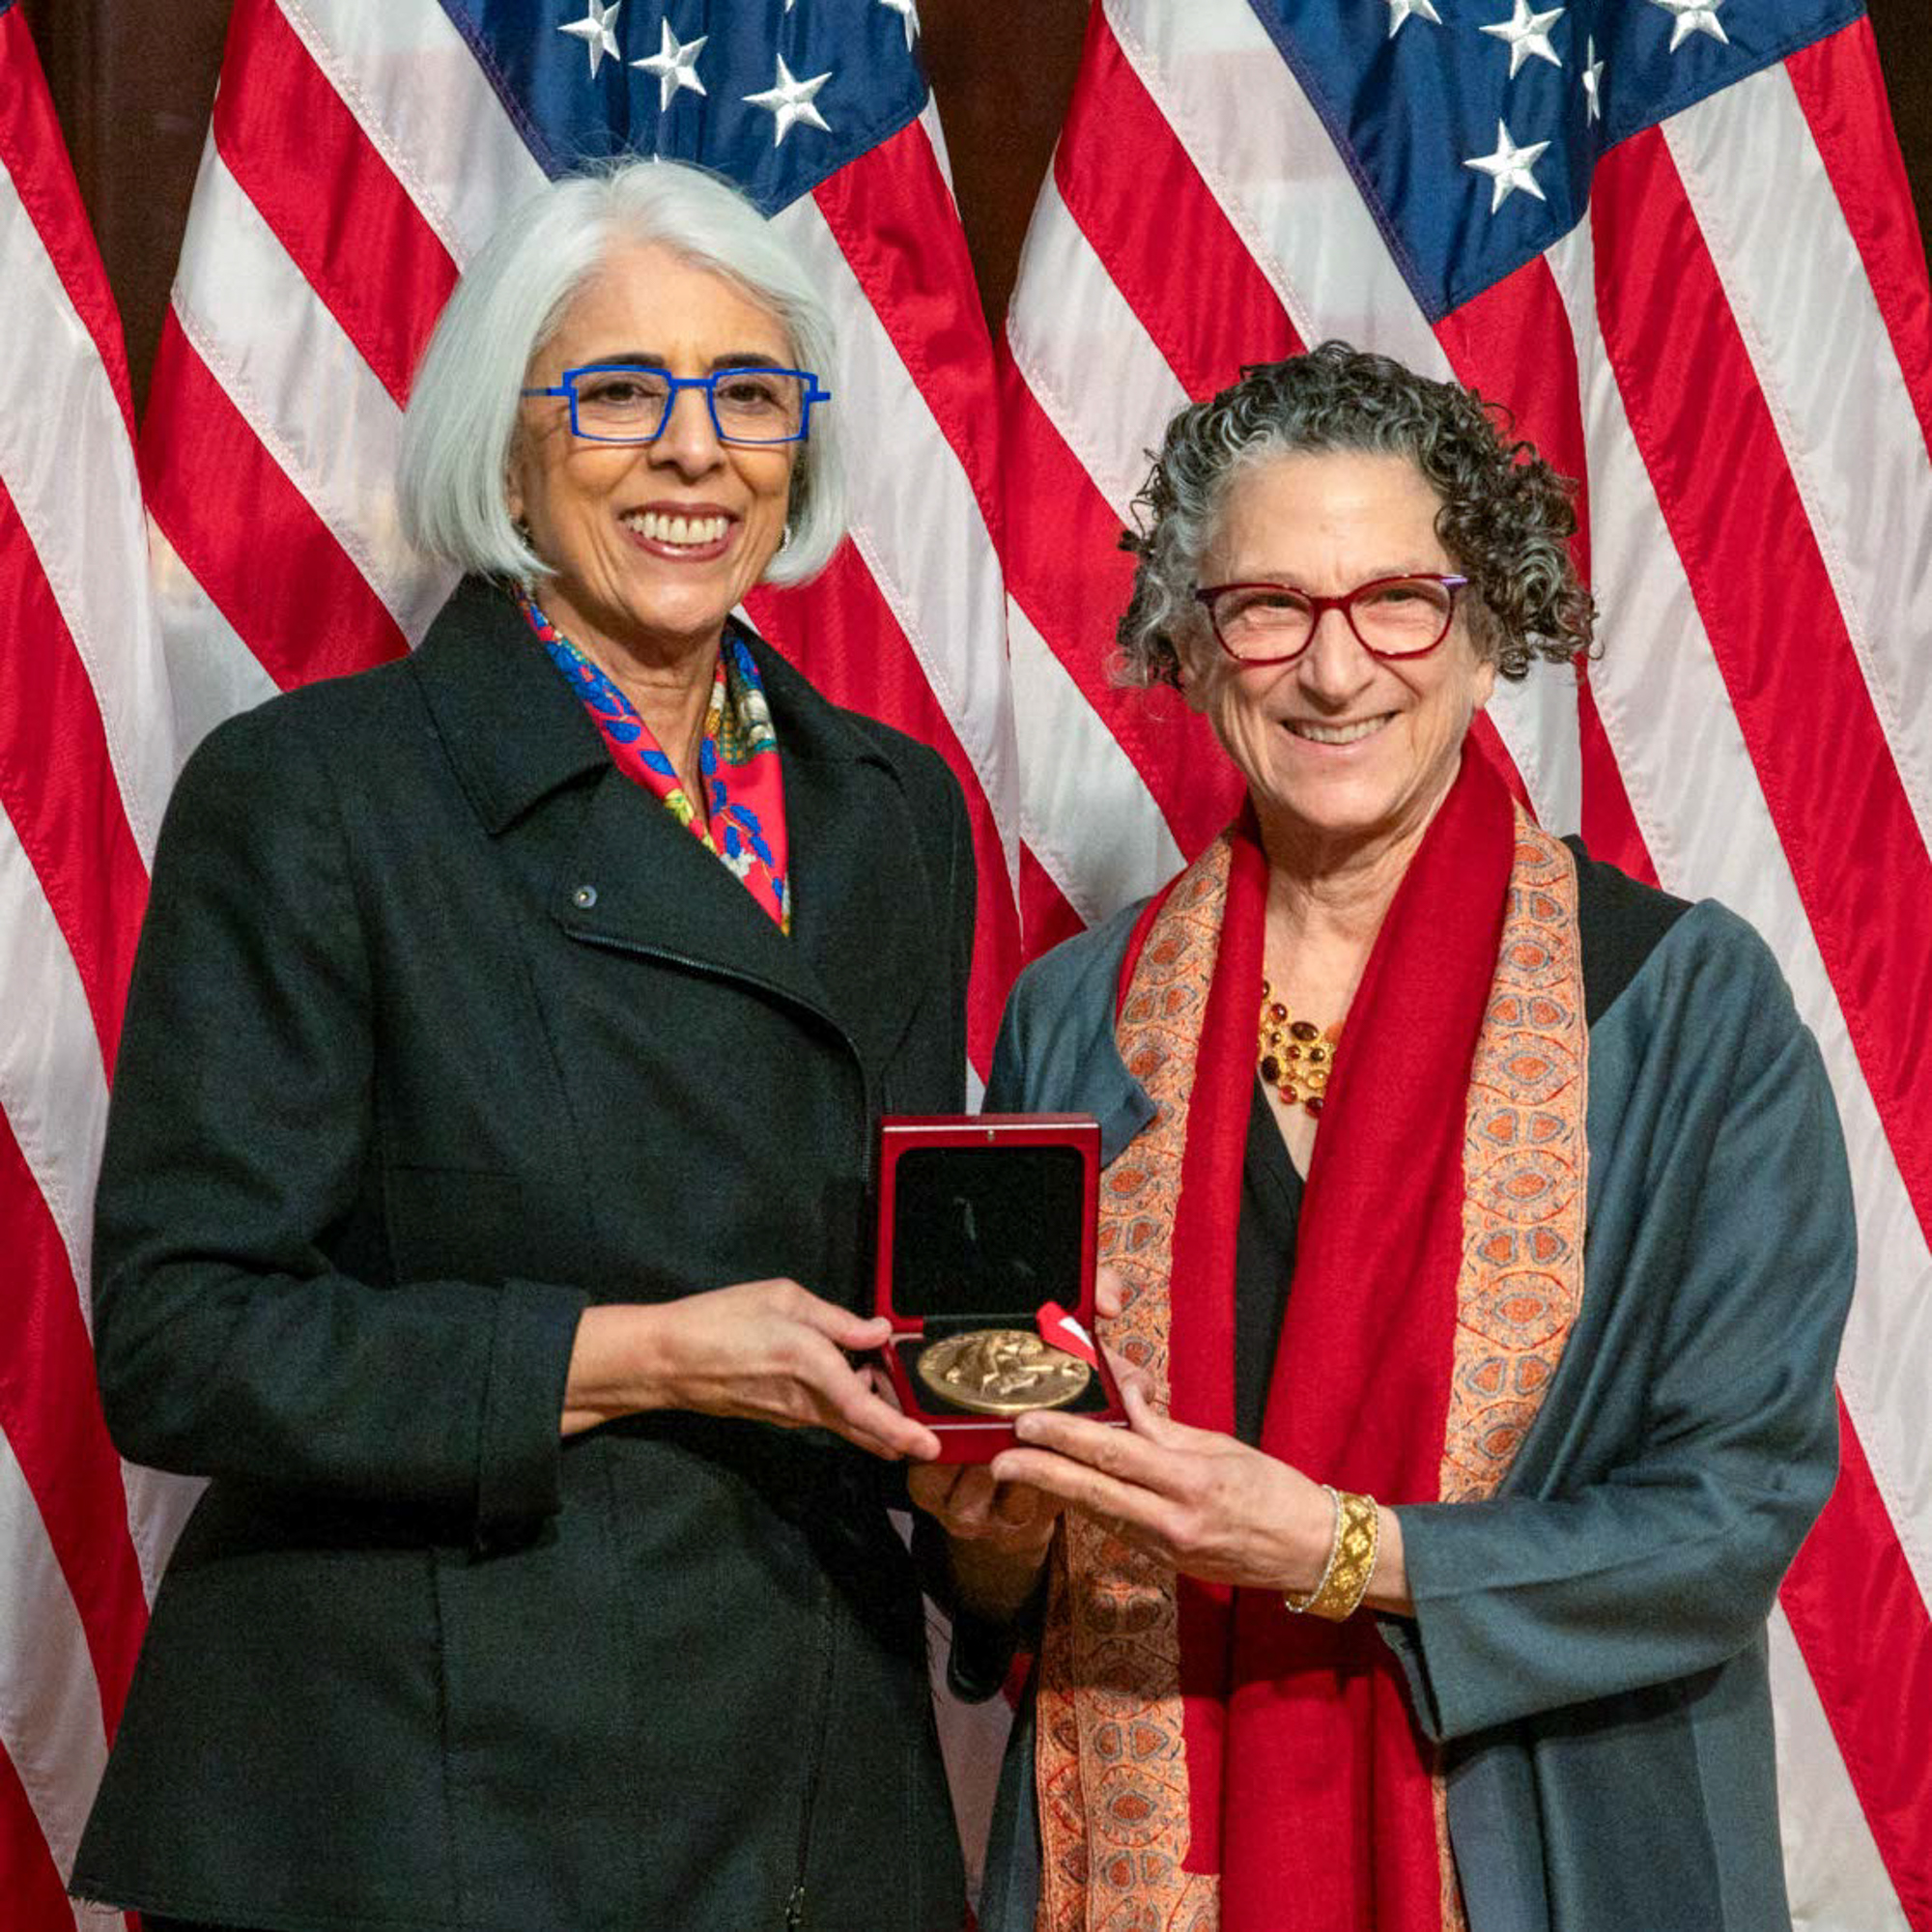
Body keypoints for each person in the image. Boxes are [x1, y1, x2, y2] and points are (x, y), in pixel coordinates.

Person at [71, 159, 974, 1932]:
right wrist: (647, 1355)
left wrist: (998, 1494)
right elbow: (182, 1341)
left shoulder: (893, 812)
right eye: (622, 393)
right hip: (425, 1796)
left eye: (748, 396)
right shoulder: (314, 796)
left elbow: (911, 1292)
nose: (694, 452)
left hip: (804, 1781)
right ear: (506, 447)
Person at [917, 343, 1855, 1932]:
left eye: (1398, 601)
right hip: (1140, 1863)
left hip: (1552, 1857)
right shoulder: (1078, 1016)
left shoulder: (1685, 1007)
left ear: (1489, 631)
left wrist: (1339, 1549)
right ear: (1195, 650)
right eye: (1268, 606)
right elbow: (1002, 1556)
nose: (1334, 672)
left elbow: (1730, 1512)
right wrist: (994, 1539)